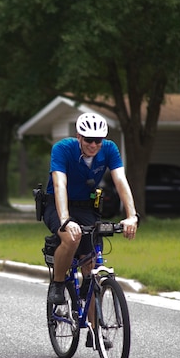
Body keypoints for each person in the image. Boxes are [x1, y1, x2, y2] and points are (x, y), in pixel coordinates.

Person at [43, 113, 139, 340]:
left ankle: (95, 330)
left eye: (99, 140)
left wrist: (132, 216)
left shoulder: (109, 149)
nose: (94, 145)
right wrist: (65, 220)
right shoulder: (62, 149)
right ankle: (58, 284)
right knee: (71, 237)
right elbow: (60, 184)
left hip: (86, 207)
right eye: (89, 140)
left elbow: (120, 181)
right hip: (56, 205)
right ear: (79, 137)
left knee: (91, 268)